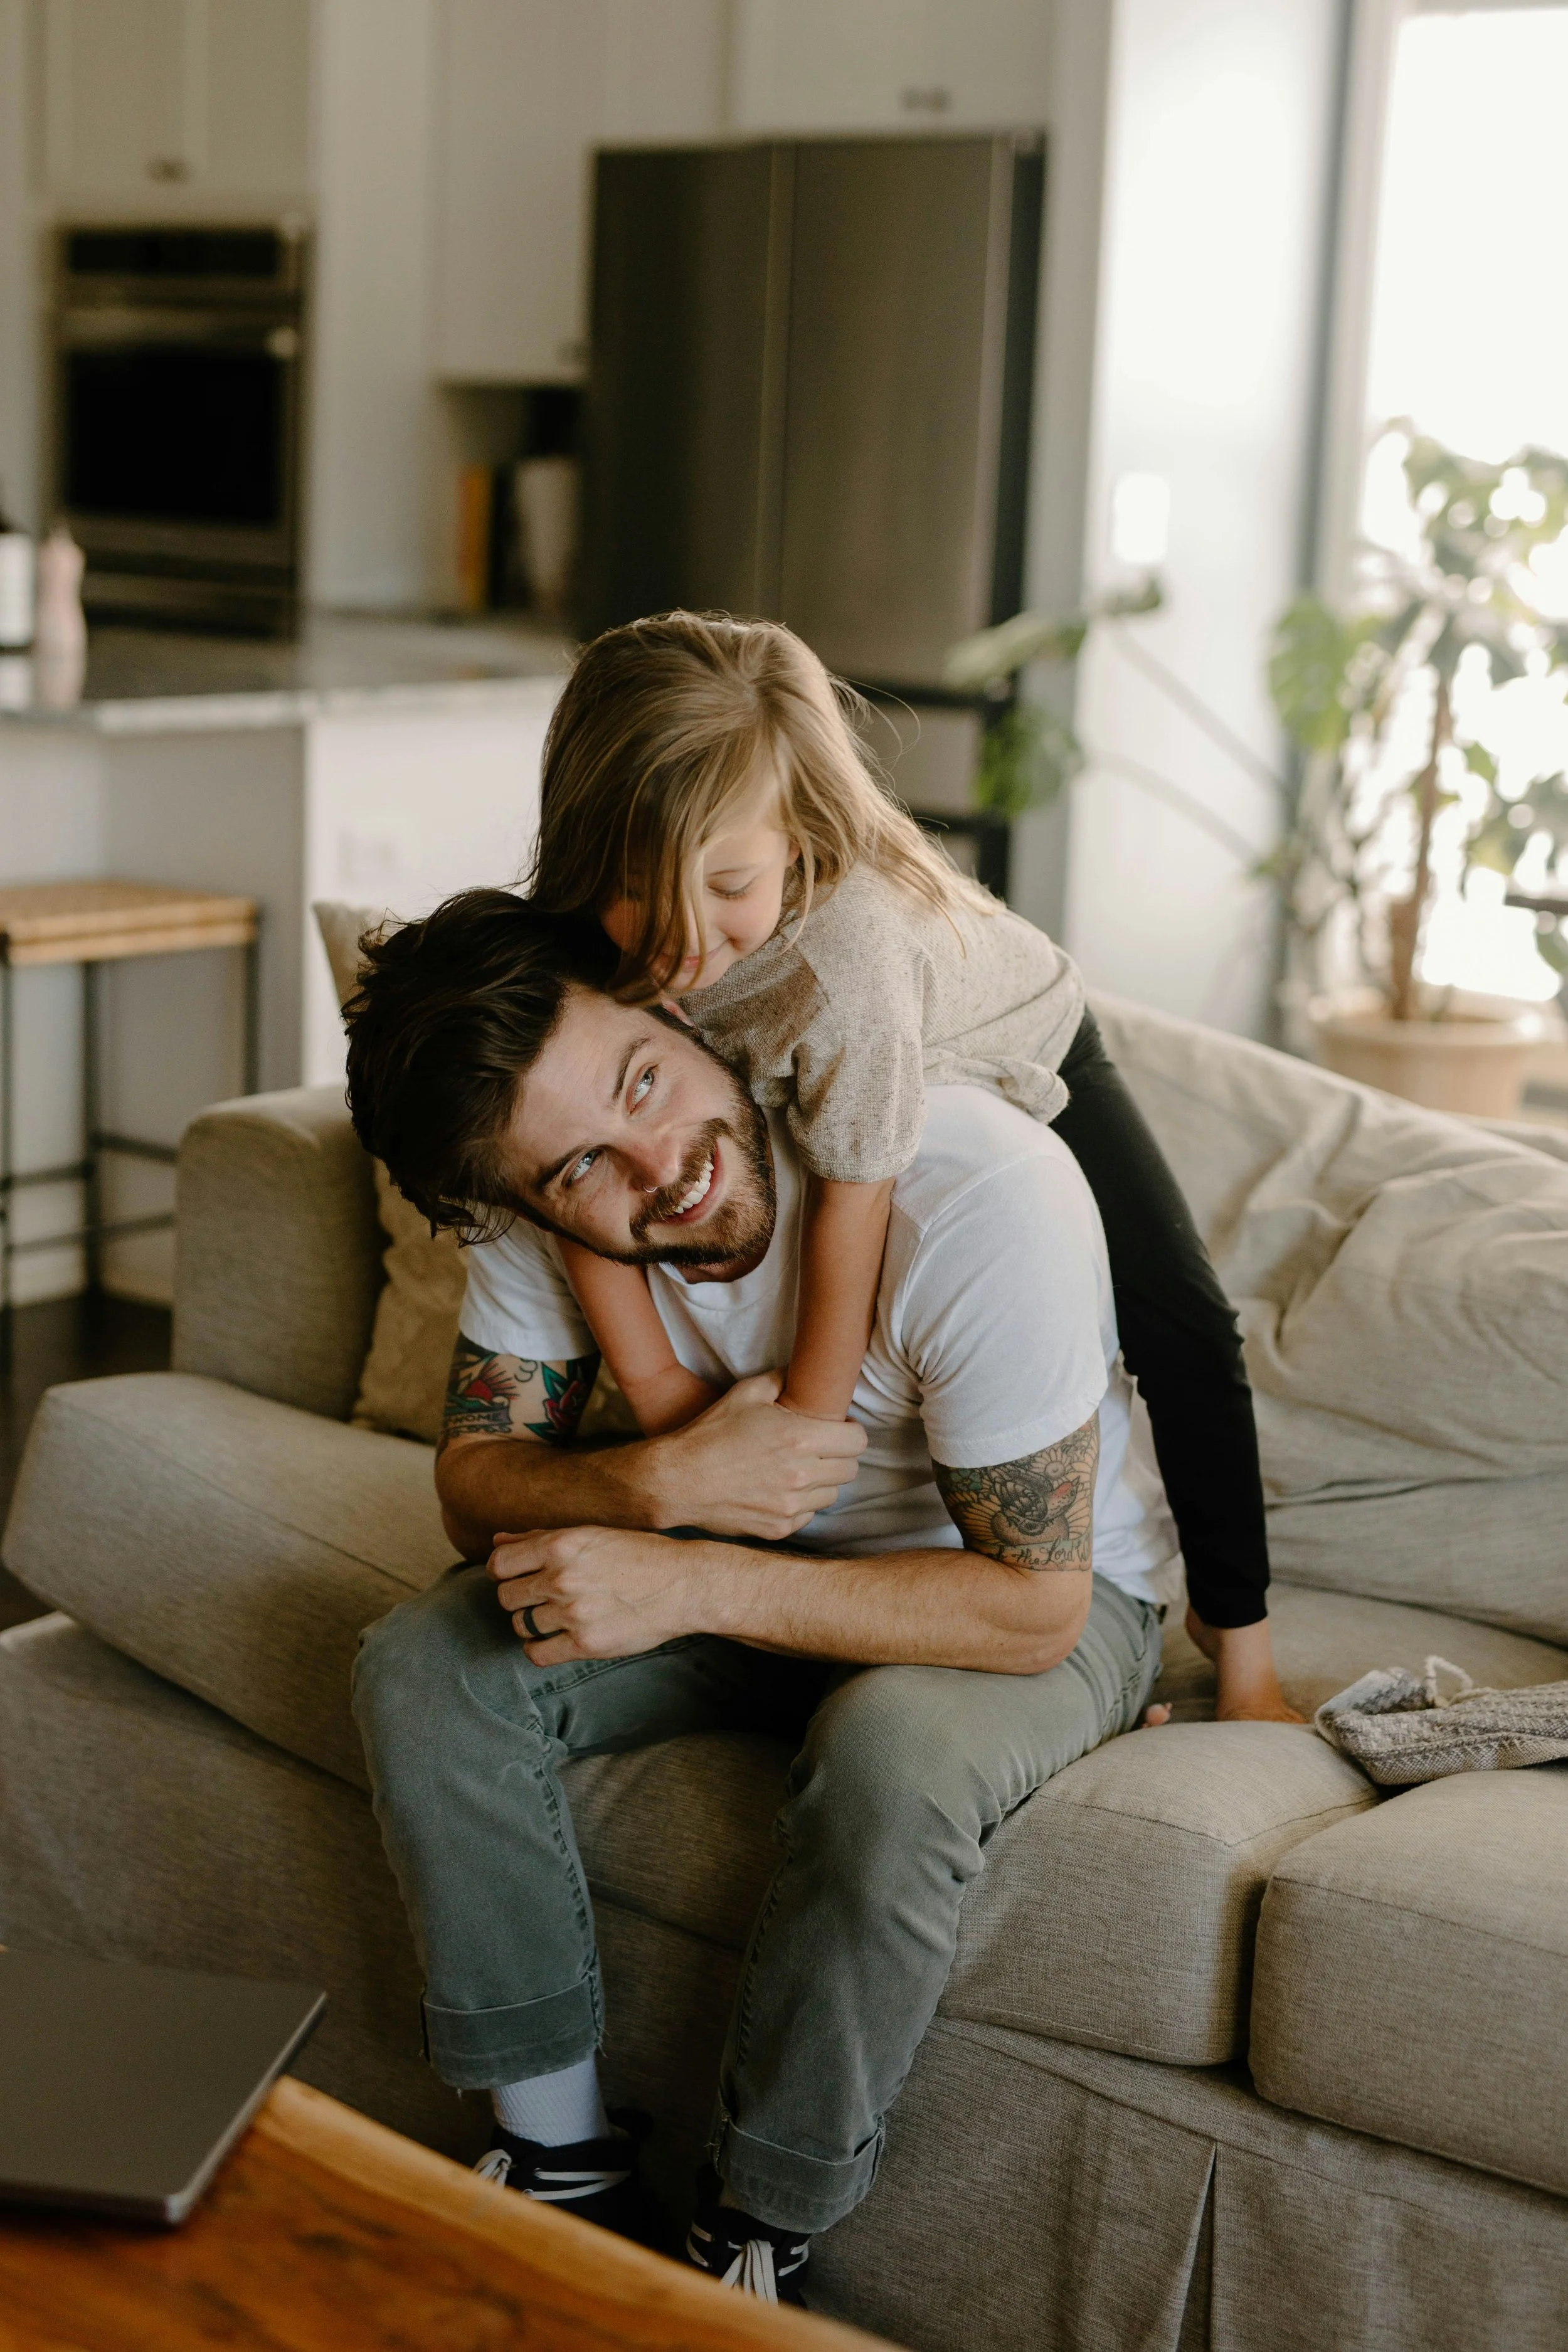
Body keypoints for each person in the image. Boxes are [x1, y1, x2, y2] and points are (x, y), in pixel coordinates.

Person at [343, 889, 1294, 2308]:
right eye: (583, 1168)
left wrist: (690, 1576)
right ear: (531, 1198)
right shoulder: (532, 1199)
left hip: (1034, 1596)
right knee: (430, 1664)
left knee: (891, 1754)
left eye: (644, 1083)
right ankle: (560, 2165)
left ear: (681, 1012)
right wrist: (649, 1484)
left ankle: (753, 2235)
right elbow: (473, 1485)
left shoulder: (970, 1184)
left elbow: (1031, 1611)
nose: (657, 1167)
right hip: (742, 1577)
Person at [525, 612, 1295, 1700]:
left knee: (1183, 1323)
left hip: (1017, 1031)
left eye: (729, 887)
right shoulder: (581, 945)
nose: (680, 940)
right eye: (639, 891)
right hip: (852, 1040)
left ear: (796, 837)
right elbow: (569, 1164)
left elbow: (856, 1197)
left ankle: (1244, 1650)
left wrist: (804, 1432)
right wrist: (656, 1393)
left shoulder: (848, 964)